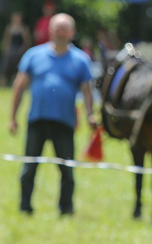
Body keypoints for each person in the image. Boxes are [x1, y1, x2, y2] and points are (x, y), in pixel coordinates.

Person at [8, 13, 96, 215]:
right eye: (58, 28)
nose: (61, 33)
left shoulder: (81, 60)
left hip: (64, 123)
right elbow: (19, 87)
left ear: (72, 33)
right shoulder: (33, 55)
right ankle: (25, 208)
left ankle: (66, 209)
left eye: (65, 29)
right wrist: (12, 118)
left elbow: (87, 92)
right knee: (29, 168)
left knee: (66, 169)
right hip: (36, 120)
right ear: (50, 30)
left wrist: (90, 115)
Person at [1, 11, 32, 86]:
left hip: (20, 50)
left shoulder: (24, 28)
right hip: (11, 50)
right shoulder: (10, 28)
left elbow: (27, 41)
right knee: (6, 67)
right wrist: (6, 49)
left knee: (19, 68)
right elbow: (7, 39)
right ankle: (3, 83)